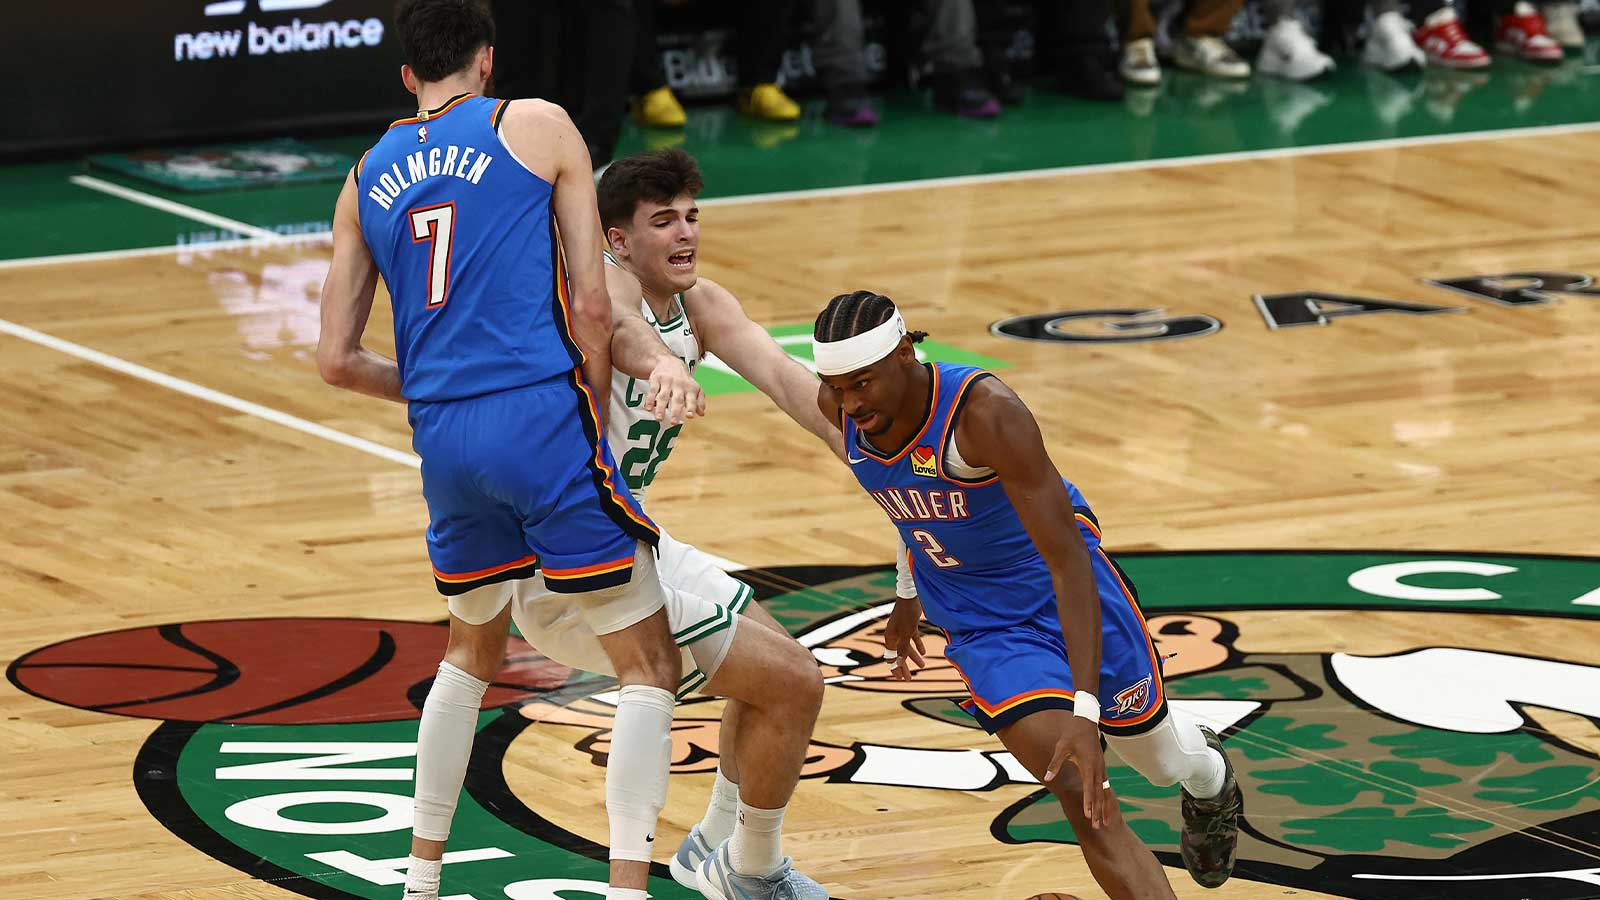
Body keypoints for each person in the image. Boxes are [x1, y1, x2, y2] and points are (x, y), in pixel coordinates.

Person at [315, 3, 685, 899]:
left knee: (467, 655)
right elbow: (594, 307)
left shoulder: (365, 174)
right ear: (487, 60)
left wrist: (447, 384)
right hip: (537, 416)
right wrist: (582, 403)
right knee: (650, 666)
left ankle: (420, 879)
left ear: (408, 76)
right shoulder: (538, 123)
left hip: (443, 438)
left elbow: (334, 360)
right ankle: (629, 889)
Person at [809, 291, 1246, 898]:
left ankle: (1210, 780)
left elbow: (1068, 563)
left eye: (862, 384)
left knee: (1161, 762)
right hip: (986, 626)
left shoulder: (986, 414)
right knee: (1080, 792)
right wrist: (908, 592)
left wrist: (1086, 711)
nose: (850, 404)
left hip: (1061, 589)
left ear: (905, 353)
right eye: (837, 387)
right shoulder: (841, 408)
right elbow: (902, 499)